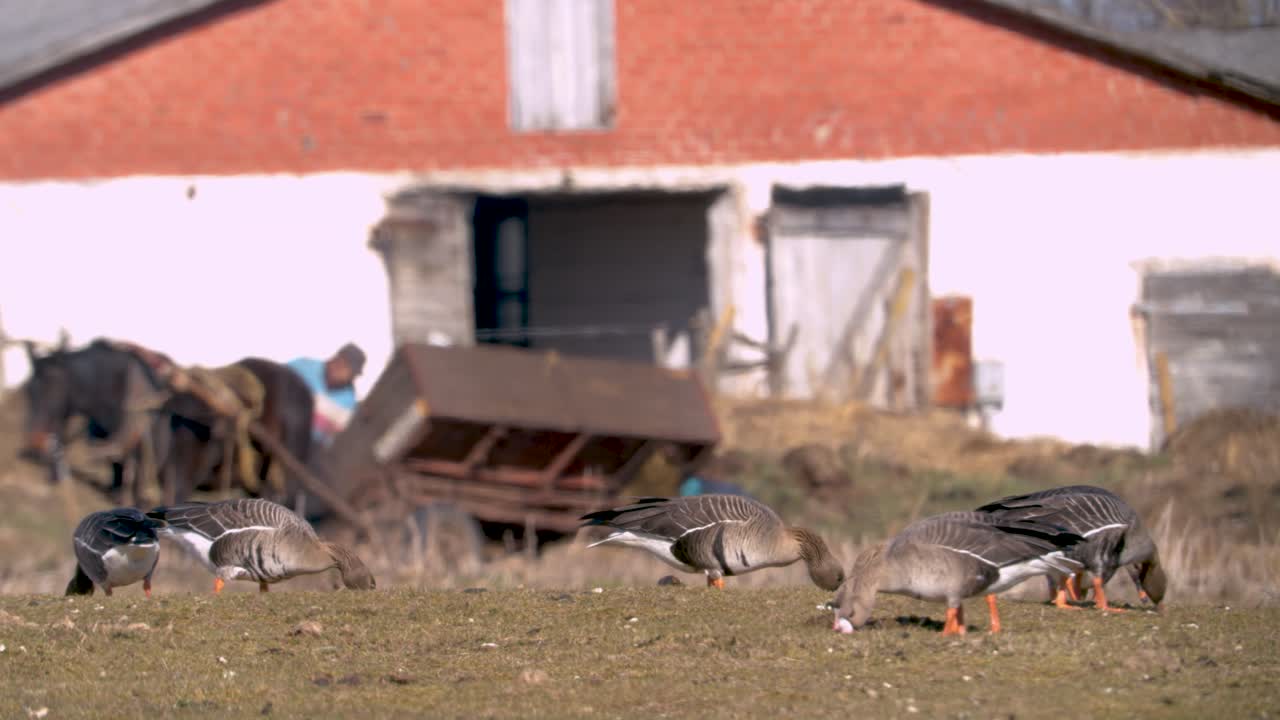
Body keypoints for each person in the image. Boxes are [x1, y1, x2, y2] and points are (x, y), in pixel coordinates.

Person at [286, 343, 366, 447]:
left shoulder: (349, 406)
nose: (339, 368)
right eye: (339, 362)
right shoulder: (303, 366)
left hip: (304, 446)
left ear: (353, 375)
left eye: (346, 368)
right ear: (334, 358)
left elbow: (331, 441)